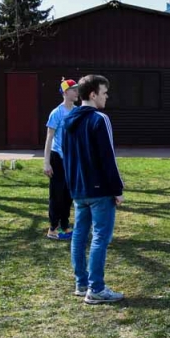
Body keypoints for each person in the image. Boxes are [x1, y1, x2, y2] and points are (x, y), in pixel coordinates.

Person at [62, 75, 125, 303]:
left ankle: (82, 283)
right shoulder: (100, 119)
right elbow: (108, 157)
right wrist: (117, 189)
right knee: (100, 237)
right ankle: (96, 288)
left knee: (79, 235)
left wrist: (72, 186)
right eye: (104, 92)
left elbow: (66, 157)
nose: (107, 96)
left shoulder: (68, 120)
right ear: (92, 94)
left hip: (79, 190)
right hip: (99, 191)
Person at [43, 78, 79, 240]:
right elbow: (49, 138)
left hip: (72, 159)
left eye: (77, 89)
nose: (77, 92)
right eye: (74, 90)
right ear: (65, 92)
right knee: (57, 194)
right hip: (57, 157)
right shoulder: (56, 113)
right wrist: (46, 163)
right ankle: (53, 228)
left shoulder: (78, 111)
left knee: (68, 194)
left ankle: (65, 225)